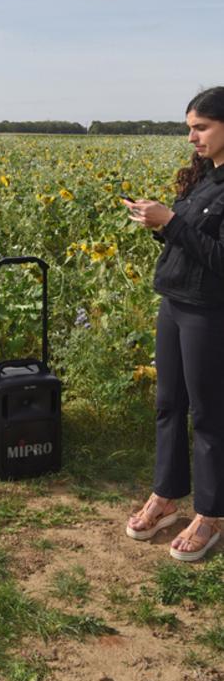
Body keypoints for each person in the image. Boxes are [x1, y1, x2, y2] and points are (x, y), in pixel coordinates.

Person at [124, 86, 224, 561]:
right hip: (175, 303)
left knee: (207, 413)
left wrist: (172, 224)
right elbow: (187, 250)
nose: (191, 138)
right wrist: (159, 224)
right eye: (189, 128)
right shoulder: (204, 180)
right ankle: (165, 494)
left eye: (200, 127)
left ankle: (210, 512)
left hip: (210, 312)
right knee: (168, 405)